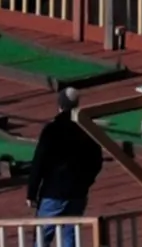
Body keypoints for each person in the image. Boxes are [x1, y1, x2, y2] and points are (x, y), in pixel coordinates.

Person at [28, 84, 103, 244]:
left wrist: (31, 192)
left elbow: (39, 162)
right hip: (77, 192)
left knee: (42, 238)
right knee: (70, 236)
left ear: (59, 105)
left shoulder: (52, 130)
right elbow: (97, 159)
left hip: (53, 192)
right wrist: (86, 182)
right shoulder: (85, 128)